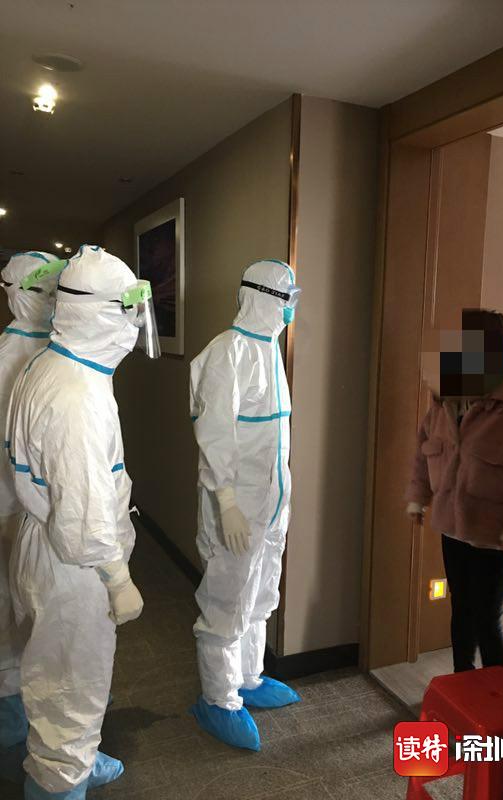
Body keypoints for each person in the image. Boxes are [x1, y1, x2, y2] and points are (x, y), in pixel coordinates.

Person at [6, 244, 159, 799]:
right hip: (73, 564)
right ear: (102, 314)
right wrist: (117, 578)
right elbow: (84, 517)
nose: (135, 324)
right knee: (72, 684)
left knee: (54, 671)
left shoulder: (54, 362)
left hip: (43, 544)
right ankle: (59, 781)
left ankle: (73, 757)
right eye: (128, 310)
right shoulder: (78, 397)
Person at [190, 259, 301, 752]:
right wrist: (227, 501)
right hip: (235, 505)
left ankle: (249, 677)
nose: (291, 308)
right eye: (287, 297)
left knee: (260, 590)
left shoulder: (270, 350)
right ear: (261, 297)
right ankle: (218, 697)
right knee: (227, 597)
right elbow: (215, 435)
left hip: (271, 504)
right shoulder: (227, 352)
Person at [406, 309, 503, 673]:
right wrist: (417, 498)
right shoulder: (444, 405)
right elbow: (423, 454)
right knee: (461, 610)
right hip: (452, 528)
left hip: (494, 536)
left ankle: (499, 693)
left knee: (487, 618)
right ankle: (461, 681)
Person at [0, 251, 65, 783]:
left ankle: (45, 717)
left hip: (43, 514)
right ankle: (18, 718)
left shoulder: (58, 354)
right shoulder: (9, 356)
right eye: (42, 290)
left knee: (44, 618)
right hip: (14, 509)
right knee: (17, 612)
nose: (52, 300)